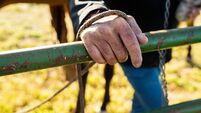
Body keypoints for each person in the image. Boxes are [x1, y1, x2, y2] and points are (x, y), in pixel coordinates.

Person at [68, 0, 199, 113]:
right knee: (159, 106)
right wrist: (93, 13)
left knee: (142, 106)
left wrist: (188, 5)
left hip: (162, 46)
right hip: (131, 45)